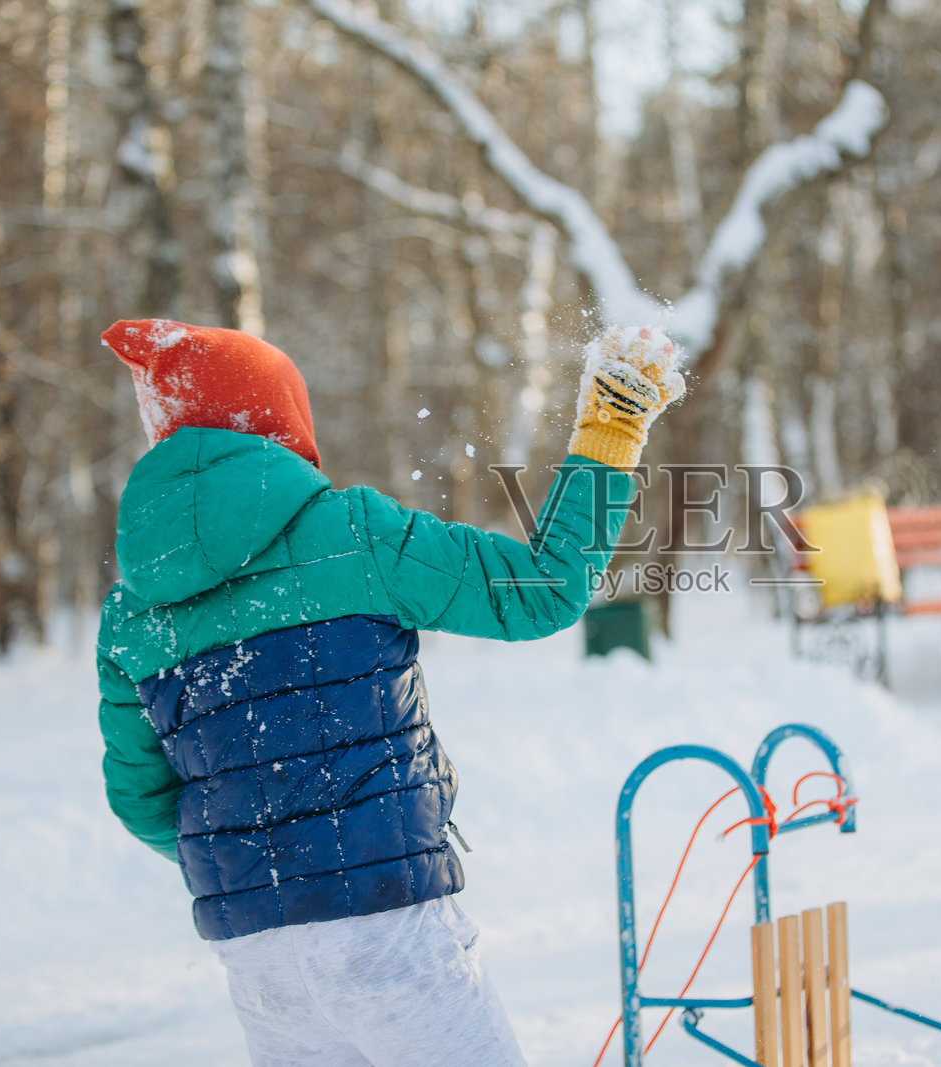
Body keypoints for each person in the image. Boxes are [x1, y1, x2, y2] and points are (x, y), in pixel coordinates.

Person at [94, 317, 683, 1066]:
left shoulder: (131, 614)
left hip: (256, 955)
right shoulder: (351, 533)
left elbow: (142, 801)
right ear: (278, 420)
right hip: (388, 933)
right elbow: (544, 591)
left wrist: (255, 853)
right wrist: (612, 427)